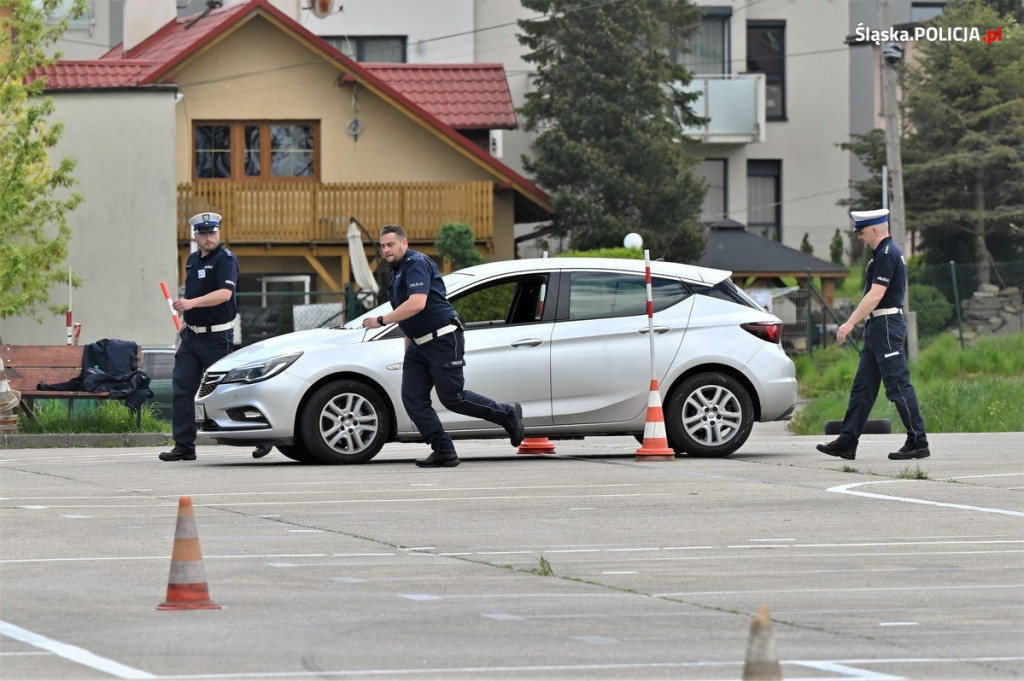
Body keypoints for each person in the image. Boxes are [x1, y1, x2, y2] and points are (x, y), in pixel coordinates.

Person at [361, 224, 524, 467]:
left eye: (391, 244)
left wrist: (381, 321)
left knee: (453, 397)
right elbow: (408, 314)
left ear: (404, 243)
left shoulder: (416, 263)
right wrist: (409, 351)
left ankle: (507, 414)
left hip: (443, 339)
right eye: (383, 245)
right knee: (413, 399)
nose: (386, 249)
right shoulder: (395, 271)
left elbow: (417, 303)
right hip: (418, 345)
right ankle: (444, 449)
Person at [817, 208, 930, 462]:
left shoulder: (887, 255)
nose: (860, 237)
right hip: (878, 328)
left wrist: (848, 324)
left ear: (876, 230)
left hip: (886, 326)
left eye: (862, 232)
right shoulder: (880, 255)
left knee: (898, 384)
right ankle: (847, 442)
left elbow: (876, 295)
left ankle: (917, 441)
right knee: (862, 388)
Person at [159, 212, 239, 462]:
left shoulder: (226, 259)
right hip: (191, 337)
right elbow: (193, 293)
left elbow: (225, 294)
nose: (208, 238)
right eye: (203, 233)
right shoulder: (193, 260)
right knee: (182, 388)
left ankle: (262, 439)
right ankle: (184, 446)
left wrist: (191, 304)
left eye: (212, 232)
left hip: (218, 337)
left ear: (219, 233)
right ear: (195, 236)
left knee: (229, 389)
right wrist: (185, 323)